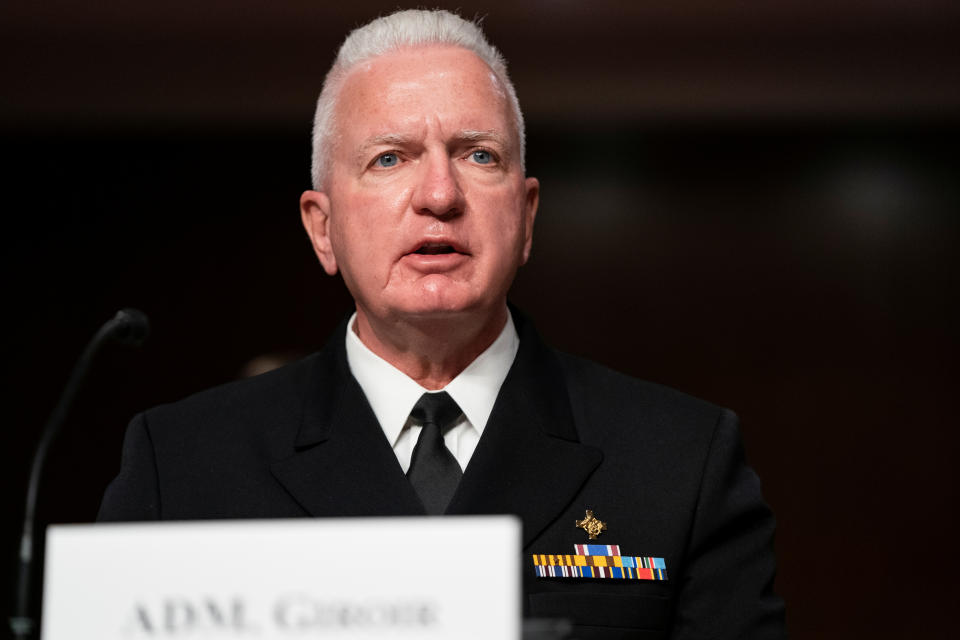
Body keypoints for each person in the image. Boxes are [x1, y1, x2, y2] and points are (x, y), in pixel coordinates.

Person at [99, 9, 785, 639]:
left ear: (526, 218)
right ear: (322, 228)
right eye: (389, 158)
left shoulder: (680, 460)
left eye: (478, 154)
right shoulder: (182, 463)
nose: (439, 195)